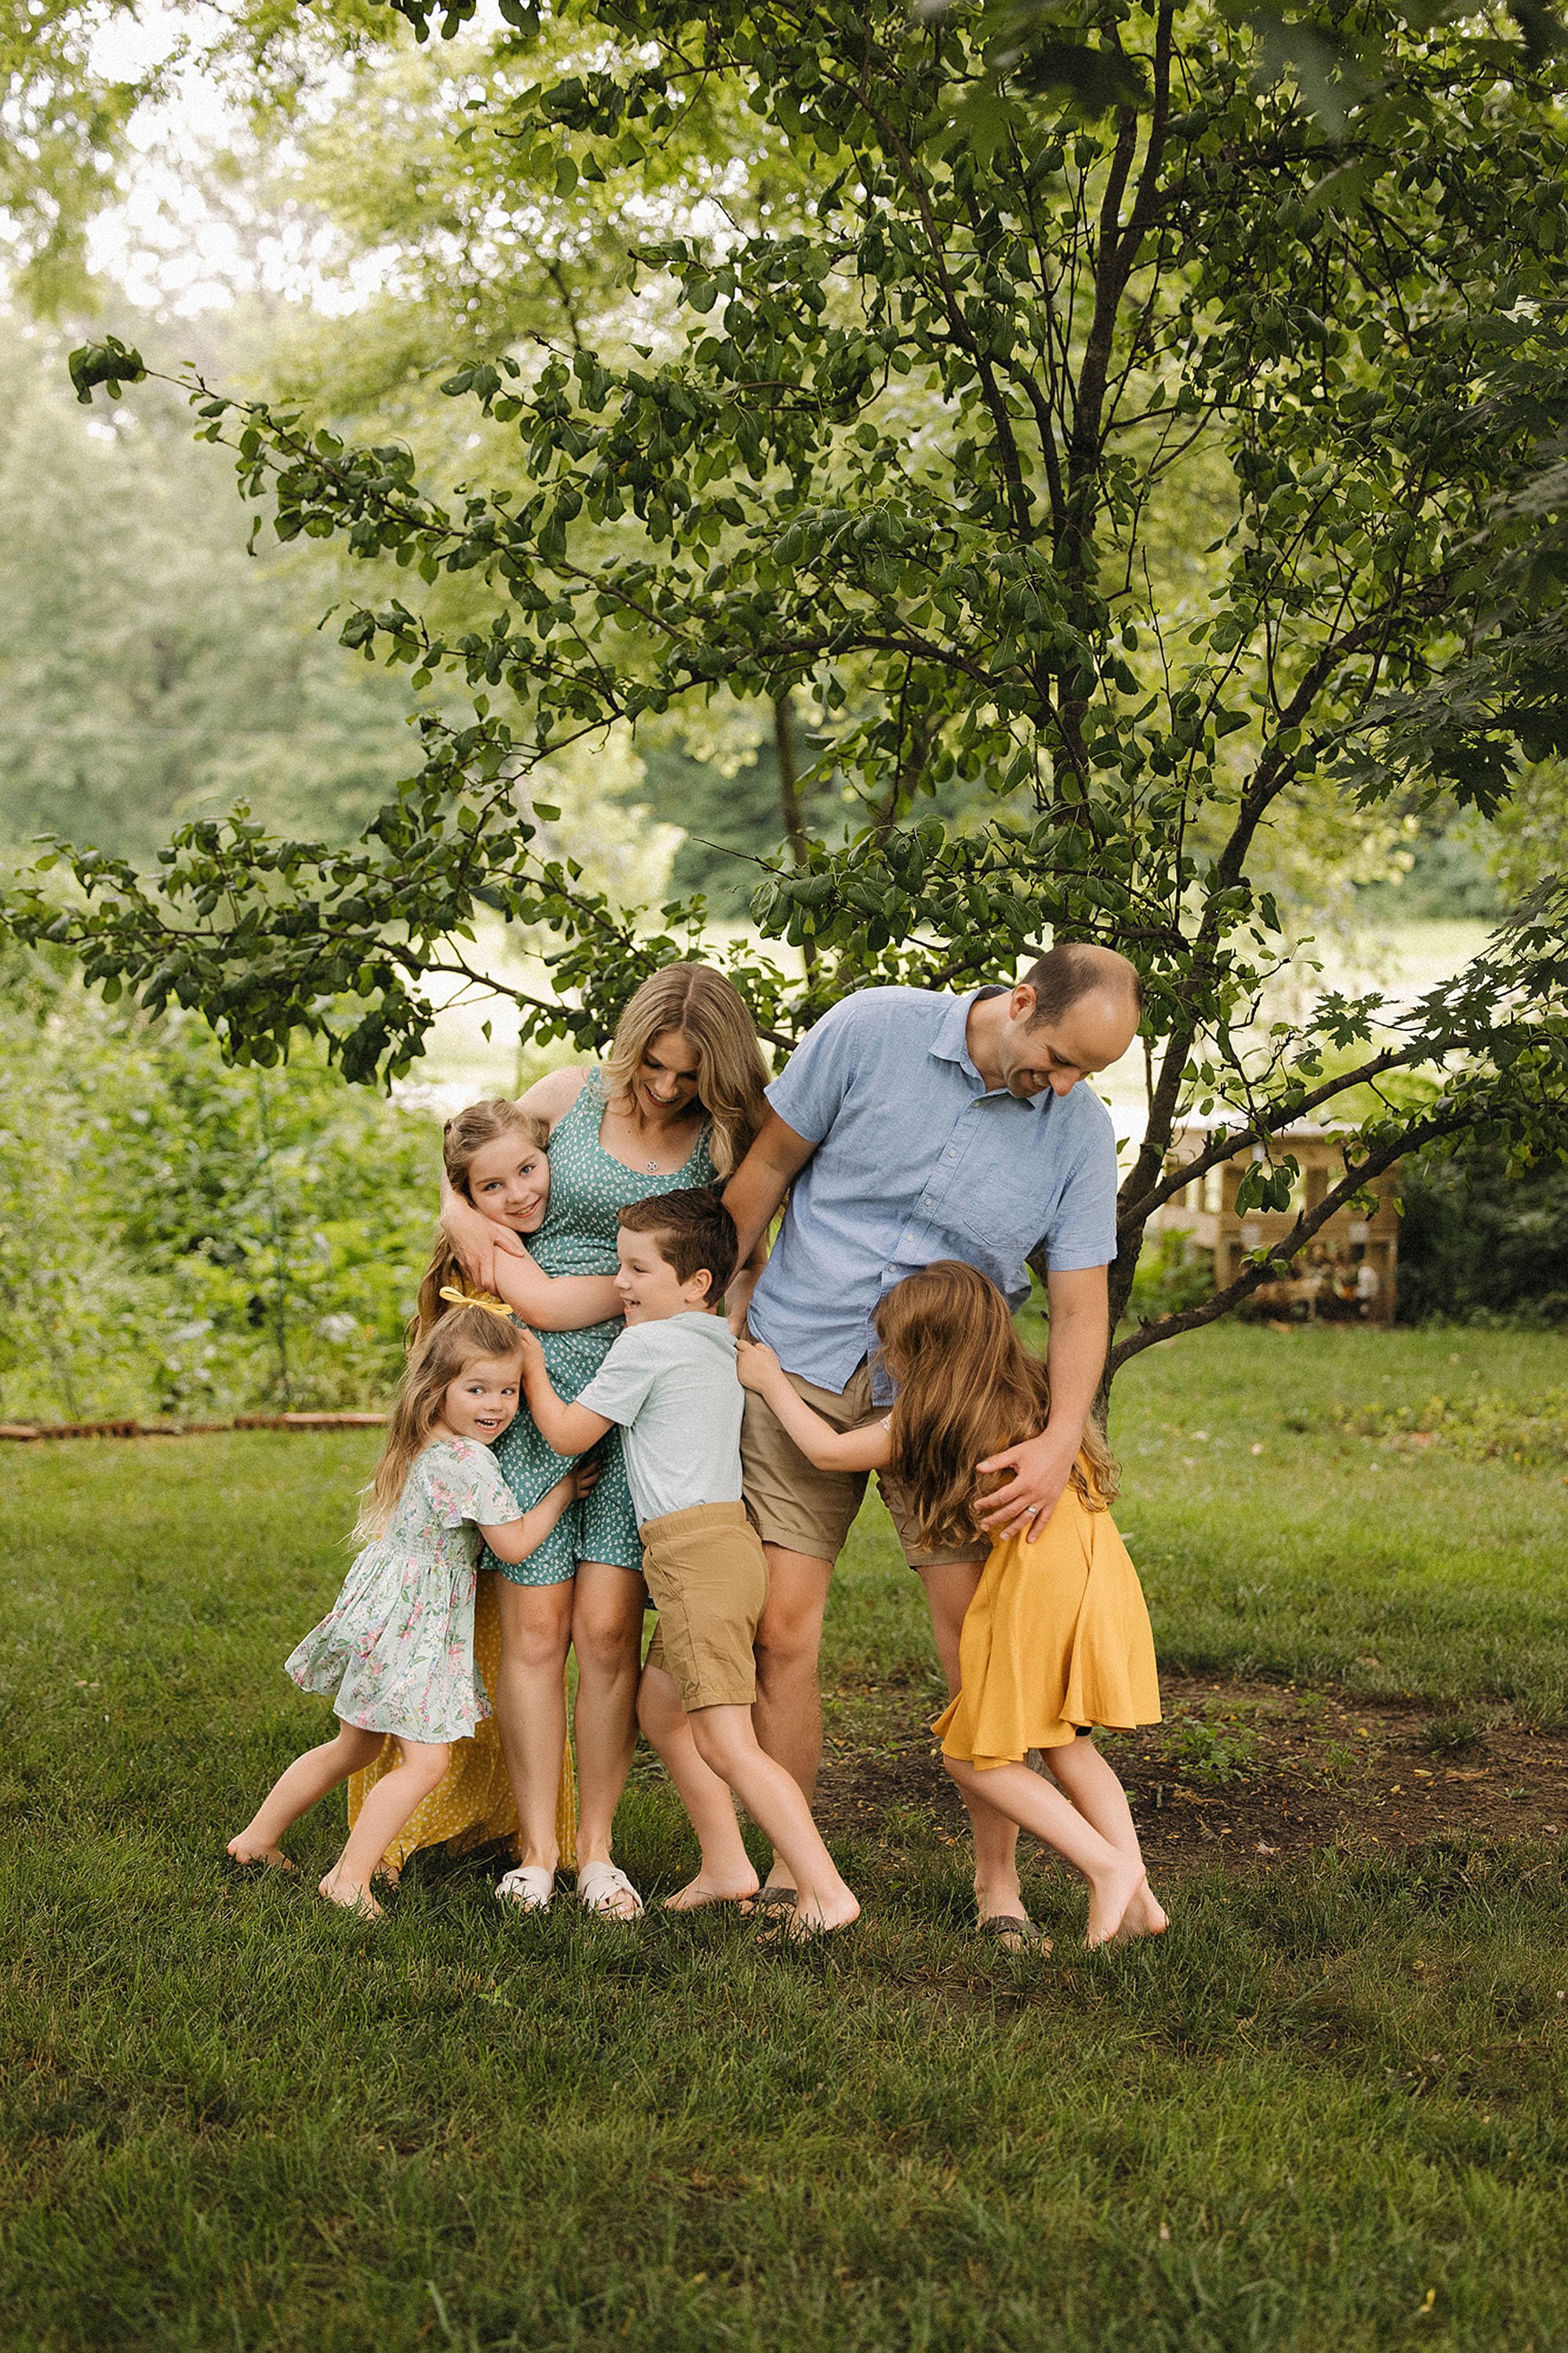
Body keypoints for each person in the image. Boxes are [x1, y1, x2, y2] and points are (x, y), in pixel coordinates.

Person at [722, 941, 1142, 1941]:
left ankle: (996, 1889)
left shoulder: (1076, 1132)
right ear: (1020, 1000)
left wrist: (1054, 1442)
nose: (1068, 1086)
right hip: (803, 1358)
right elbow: (766, 1168)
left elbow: (1082, 1309)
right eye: (1059, 1058)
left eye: (1088, 1074)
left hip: (959, 1410)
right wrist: (712, 1309)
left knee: (978, 1657)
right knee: (780, 1629)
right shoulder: (871, 1029)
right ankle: (795, 1863)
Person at [441, 964, 768, 1918]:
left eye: (688, 1076)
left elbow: (725, 1272)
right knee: (536, 1630)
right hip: (532, 1387)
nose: (666, 1089)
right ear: (631, 1046)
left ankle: (597, 1851)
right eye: (656, 1067)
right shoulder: (565, 1096)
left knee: (609, 1630)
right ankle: (534, 1850)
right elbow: (472, 1179)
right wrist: (462, 1212)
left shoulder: (720, 1142)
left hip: (644, 1400)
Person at [739, 1262, 1164, 1947]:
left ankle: (1107, 1865)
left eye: (894, 1349)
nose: (888, 1362)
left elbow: (826, 1450)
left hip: (1031, 1599)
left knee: (973, 1756)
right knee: (1071, 1747)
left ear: (924, 1356)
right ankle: (1139, 1900)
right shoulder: (1036, 1393)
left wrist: (767, 1382)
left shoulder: (927, 1416)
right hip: (1093, 1584)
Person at [516, 1188, 859, 1935]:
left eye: (638, 1268)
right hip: (726, 1550)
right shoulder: (718, 1339)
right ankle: (727, 1865)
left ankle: (824, 1889)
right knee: (662, 1708)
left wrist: (531, 1367)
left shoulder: (643, 1345)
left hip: (692, 1558)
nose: (620, 1283)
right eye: (620, 1265)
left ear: (696, 1281)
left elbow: (572, 1434)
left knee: (729, 1743)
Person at [226, 1306, 594, 1919]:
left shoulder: (425, 1438)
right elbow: (514, 1544)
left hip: (382, 1613)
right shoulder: (469, 1462)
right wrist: (561, 1490)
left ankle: (257, 1839)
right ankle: (348, 1878)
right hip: (417, 1628)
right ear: (438, 1387)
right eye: (477, 1389)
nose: (497, 1405)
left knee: (354, 1746)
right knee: (426, 1760)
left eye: (509, 1389)